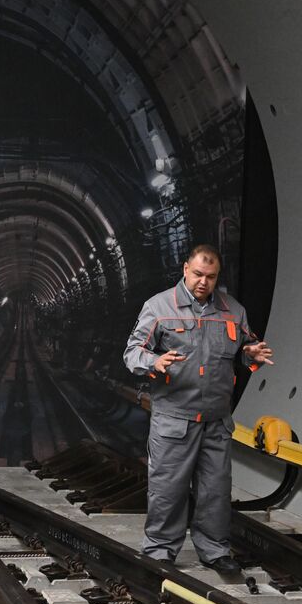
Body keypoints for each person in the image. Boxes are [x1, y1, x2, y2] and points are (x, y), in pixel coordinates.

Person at [123, 244, 273, 573]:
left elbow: (245, 347)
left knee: (215, 490)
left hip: (216, 421)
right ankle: (160, 551)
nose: (204, 282)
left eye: (211, 277)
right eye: (198, 275)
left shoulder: (233, 310)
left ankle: (215, 549)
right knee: (168, 489)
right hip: (175, 419)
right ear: (185, 269)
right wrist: (154, 361)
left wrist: (251, 356)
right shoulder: (160, 307)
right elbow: (132, 352)